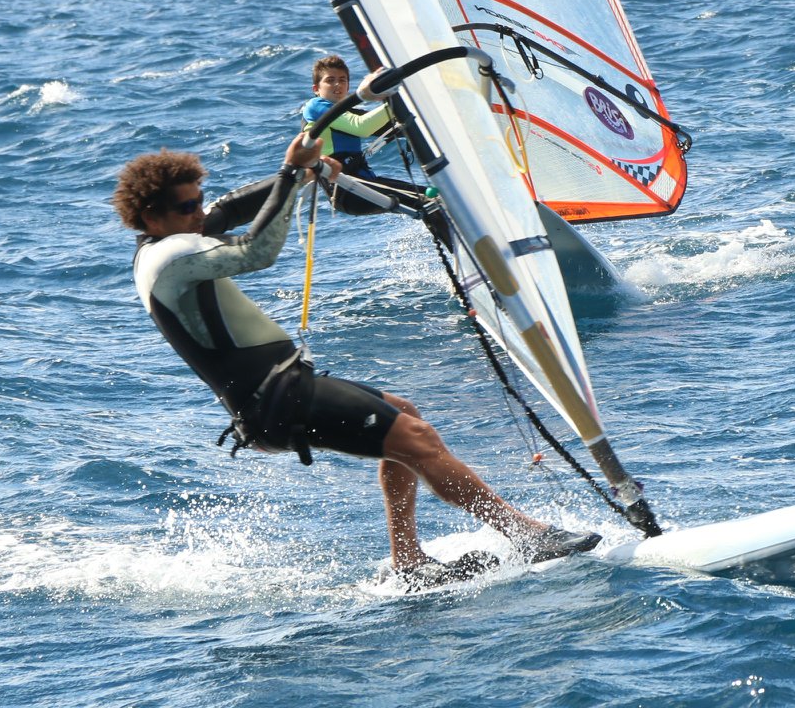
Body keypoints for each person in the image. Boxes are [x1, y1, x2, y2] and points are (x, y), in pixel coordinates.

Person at [114, 132, 600, 586]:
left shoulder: (168, 242)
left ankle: (408, 562)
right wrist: (289, 175)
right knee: (417, 439)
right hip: (277, 401)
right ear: (152, 217)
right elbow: (255, 250)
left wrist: (302, 174)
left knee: (405, 415)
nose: (198, 213)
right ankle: (525, 534)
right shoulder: (171, 258)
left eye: (198, 200)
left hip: (280, 394)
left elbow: (227, 212)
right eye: (186, 208)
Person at [301, 54, 449, 243]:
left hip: (363, 184)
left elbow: (395, 128)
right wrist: (397, 97)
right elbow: (361, 127)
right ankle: (468, 256)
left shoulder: (347, 114)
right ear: (316, 89)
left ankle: (463, 255)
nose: (337, 85)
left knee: (433, 201)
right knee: (430, 202)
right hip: (347, 189)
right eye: (330, 81)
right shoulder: (316, 107)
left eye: (342, 80)